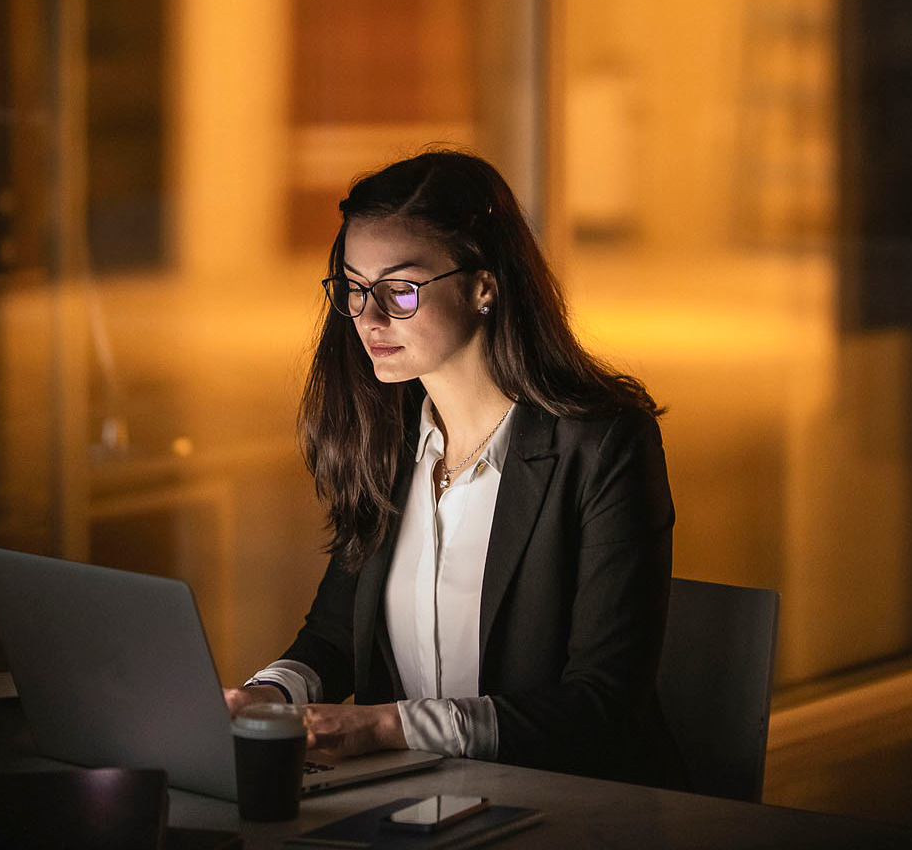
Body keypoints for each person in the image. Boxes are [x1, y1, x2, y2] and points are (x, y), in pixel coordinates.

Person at [224, 148, 684, 788]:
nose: (369, 318)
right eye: (354, 289)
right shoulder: (386, 439)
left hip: (573, 812)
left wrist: (389, 727)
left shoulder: (603, 445)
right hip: (415, 802)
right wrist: (265, 698)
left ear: (484, 285)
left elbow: (602, 708)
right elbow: (333, 638)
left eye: (402, 290)